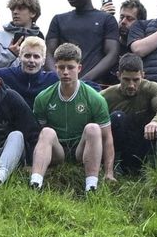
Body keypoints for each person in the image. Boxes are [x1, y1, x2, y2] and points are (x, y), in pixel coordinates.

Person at [29, 43, 112, 193]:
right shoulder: (43, 97)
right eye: (61, 67)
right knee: (46, 132)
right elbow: (38, 136)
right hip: (58, 151)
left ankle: (91, 186)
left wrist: (109, 172)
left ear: (79, 68)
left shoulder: (95, 98)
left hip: (81, 150)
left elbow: (107, 138)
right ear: (55, 68)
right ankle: (35, 183)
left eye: (70, 67)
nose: (65, 72)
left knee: (93, 128)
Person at [46, 0, 120, 87]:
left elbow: (112, 54)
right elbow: (48, 53)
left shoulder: (107, 20)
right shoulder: (58, 20)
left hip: (93, 87)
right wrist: (59, 78)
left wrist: (83, 81)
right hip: (62, 86)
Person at [100, 54, 157, 175]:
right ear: (118, 75)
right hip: (120, 145)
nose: (131, 85)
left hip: (144, 141)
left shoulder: (151, 88)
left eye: (136, 80)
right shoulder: (105, 96)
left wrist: (156, 122)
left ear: (143, 75)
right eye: (126, 80)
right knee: (117, 117)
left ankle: (152, 166)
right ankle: (114, 165)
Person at [0, 0, 44, 69]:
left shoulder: (40, 39)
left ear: (33, 13)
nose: (15, 12)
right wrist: (9, 54)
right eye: (12, 9)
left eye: (20, 8)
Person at [0, 36, 58, 107]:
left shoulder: (54, 80)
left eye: (36, 57)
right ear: (20, 57)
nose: (31, 60)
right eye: (27, 56)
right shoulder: (3, 76)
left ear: (43, 61)